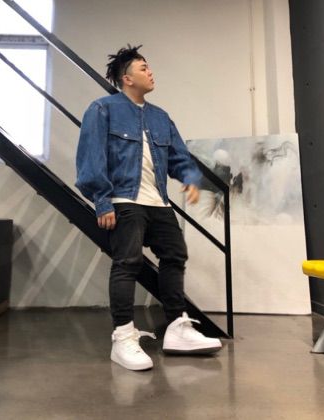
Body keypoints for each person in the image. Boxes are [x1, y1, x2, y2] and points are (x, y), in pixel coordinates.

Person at [76, 45, 221, 371]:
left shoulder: (161, 117)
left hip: (158, 202)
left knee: (175, 255)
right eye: (144, 68)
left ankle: (177, 328)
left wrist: (190, 179)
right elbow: (90, 158)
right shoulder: (102, 109)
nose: (151, 72)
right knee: (127, 263)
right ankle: (123, 337)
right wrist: (102, 200)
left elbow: (178, 156)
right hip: (124, 200)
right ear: (127, 78)